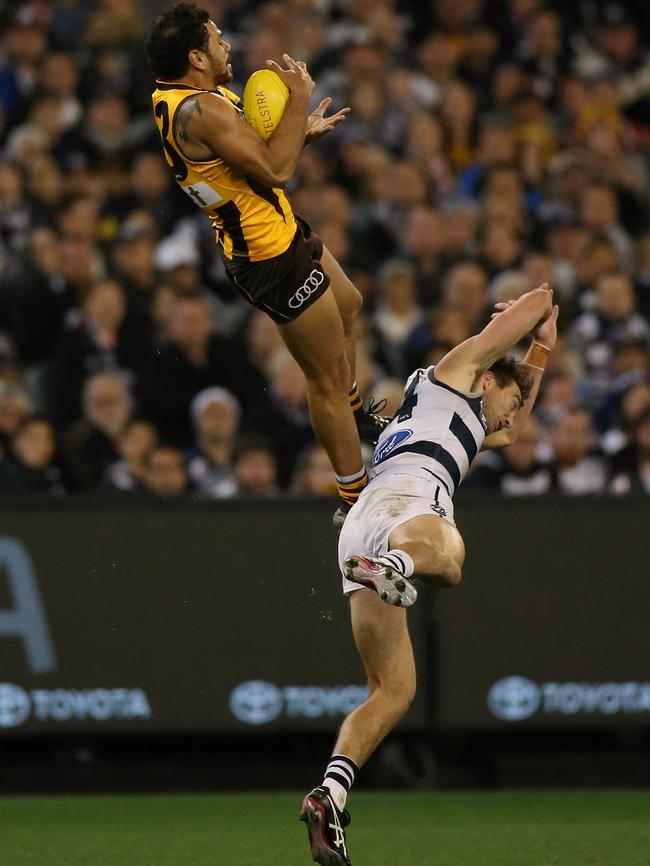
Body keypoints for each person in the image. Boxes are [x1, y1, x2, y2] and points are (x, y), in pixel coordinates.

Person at [300, 284, 559, 866]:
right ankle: (393, 567)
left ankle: (330, 796)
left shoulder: (461, 418)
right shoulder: (456, 374)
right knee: (450, 559)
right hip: (411, 501)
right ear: (489, 379)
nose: (514, 417)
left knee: (394, 690)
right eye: (513, 399)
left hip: (363, 518)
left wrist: (541, 353)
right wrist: (542, 306)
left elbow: (513, 431)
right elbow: (524, 311)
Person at [145, 3, 385, 518]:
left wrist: (299, 130)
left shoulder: (177, 96)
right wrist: (297, 100)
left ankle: (357, 414)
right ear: (196, 57)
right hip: (268, 255)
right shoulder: (201, 111)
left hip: (280, 232)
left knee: (350, 304)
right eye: (216, 40)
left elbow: (251, 152)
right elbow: (276, 169)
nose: (225, 44)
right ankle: (354, 496)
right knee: (324, 377)